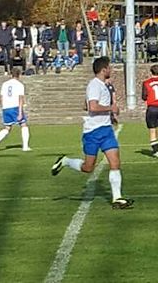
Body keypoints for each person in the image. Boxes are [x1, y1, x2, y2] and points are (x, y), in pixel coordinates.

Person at [51, 57, 133, 209]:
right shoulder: (94, 85)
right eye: (109, 67)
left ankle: (117, 198)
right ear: (103, 69)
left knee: (115, 162)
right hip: (93, 132)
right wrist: (110, 108)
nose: (111, 70)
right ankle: (65, 161)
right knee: (88, 168)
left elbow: (85, 105)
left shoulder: (103, 85)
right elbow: (92, 107)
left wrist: (110, 116)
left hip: (106, 130)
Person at [0, 68, 31, 152]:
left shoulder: (5, 84)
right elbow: (20, 98)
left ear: (11, 74)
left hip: (6, 107)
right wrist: (20, 112)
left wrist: (3, 107)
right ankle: (25, 146)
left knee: (7, 127)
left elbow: (1, 98)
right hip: (15, 106)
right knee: (23, 125)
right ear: (19, 75)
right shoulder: (19, 84)